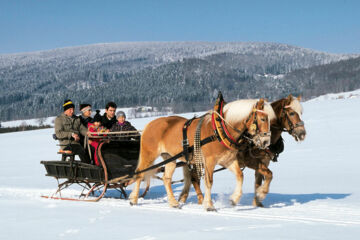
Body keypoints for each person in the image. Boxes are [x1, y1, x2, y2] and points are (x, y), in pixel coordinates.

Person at [54, 99, 90, 164]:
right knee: (82, 152)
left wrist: (89, 133)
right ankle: (86, 167)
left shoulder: (76, 119)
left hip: (76, 143)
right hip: (66, 144)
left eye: (73, 109)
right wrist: (71, 134)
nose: (72, 111)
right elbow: (58, 133)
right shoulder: (59, 119)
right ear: (65, 110)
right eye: (70, 109)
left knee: (88, 149)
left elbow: (82, 129)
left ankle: (88, 165)